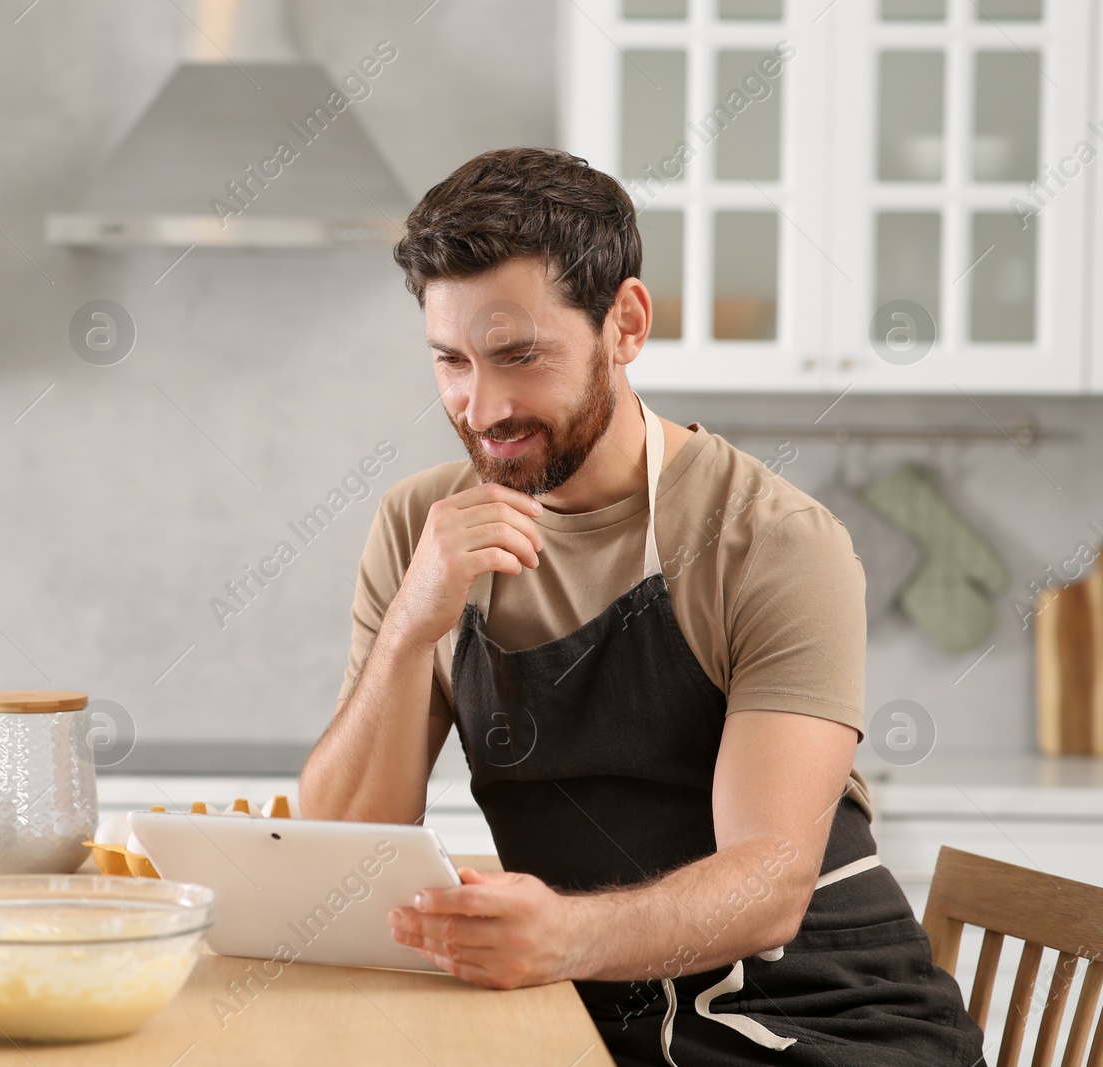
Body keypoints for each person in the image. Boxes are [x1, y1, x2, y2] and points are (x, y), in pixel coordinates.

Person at [298, 147, 985, 1065]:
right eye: (451, 361)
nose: (483, 405)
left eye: (520, 355)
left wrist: (565, 937)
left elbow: (772, 883)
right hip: (602, 1017)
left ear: (624, 323)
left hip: (827, 1019)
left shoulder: (772, 539)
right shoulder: (421, 527)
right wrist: (409, 626)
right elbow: (340, 849)